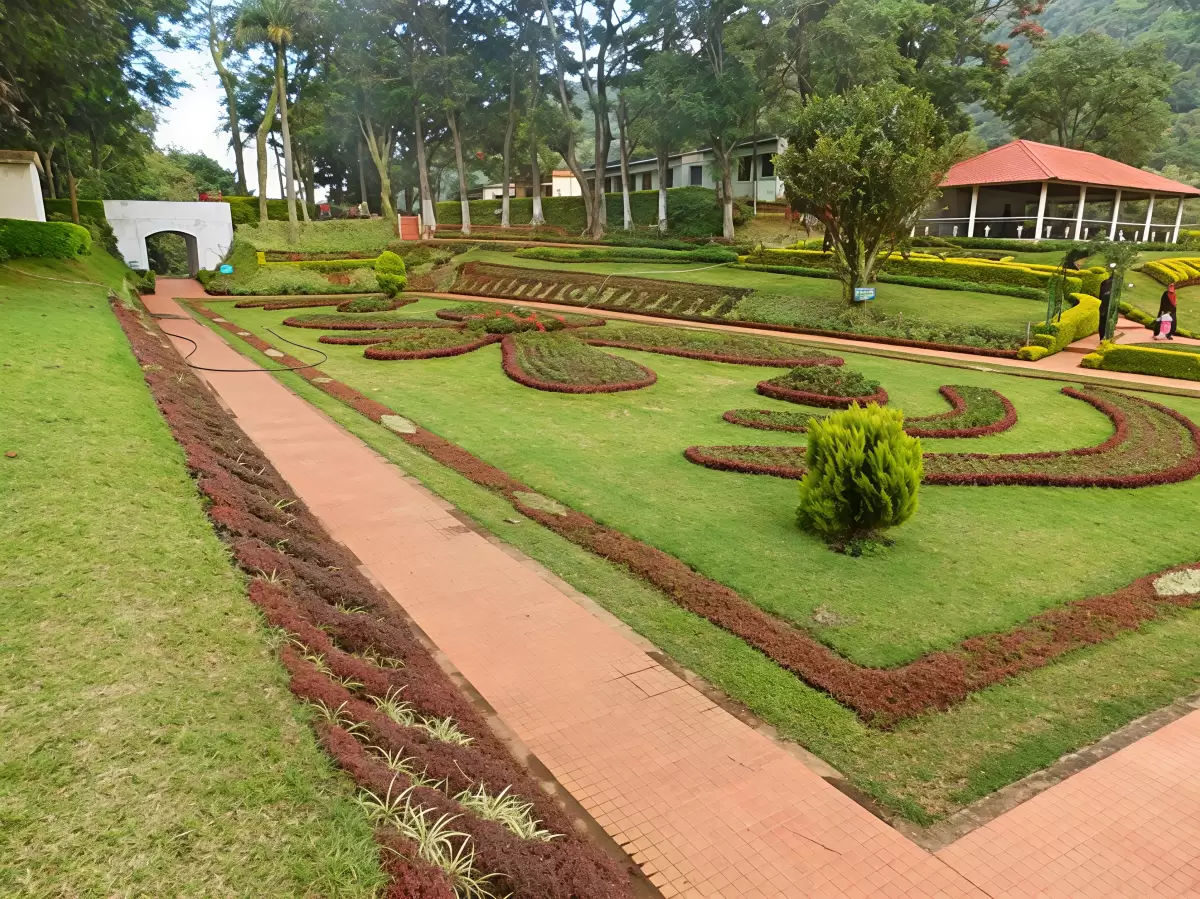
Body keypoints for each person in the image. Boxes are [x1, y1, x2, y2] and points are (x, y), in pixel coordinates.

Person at [1097, 273, 1114, 341]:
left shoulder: (1104, 282)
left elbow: (1100, 296)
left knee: (1102, 322)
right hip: (1107, 306)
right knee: (1106, 322)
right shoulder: (1114, 285)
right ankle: (1105, 338)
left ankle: (1102, 337)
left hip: (1103, 306)